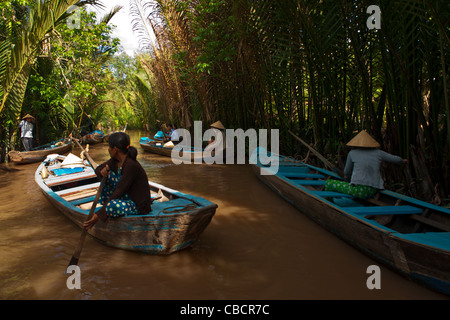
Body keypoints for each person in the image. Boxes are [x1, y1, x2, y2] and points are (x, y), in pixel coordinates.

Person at [84, 132, 151, 229]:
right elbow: (98, 169)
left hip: (139, 206)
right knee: (107, 176)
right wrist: (103, 171)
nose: (108, 149)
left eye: (109, 147)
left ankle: (107, 208)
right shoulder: (115, 161)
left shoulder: (131, 165)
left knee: (111, 206)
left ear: (115, 150)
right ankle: (106, 206)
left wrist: (98, 215)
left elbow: (119, 191)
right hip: (126, 198)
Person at [325, 130, 407, 199]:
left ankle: (329, 204)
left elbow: (347, 172)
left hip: (360, 191)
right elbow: (396, 159)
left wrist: (347, 177)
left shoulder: (352, 153)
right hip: (374, 189)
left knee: (329, 183)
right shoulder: (378, 153)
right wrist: (403, 161)